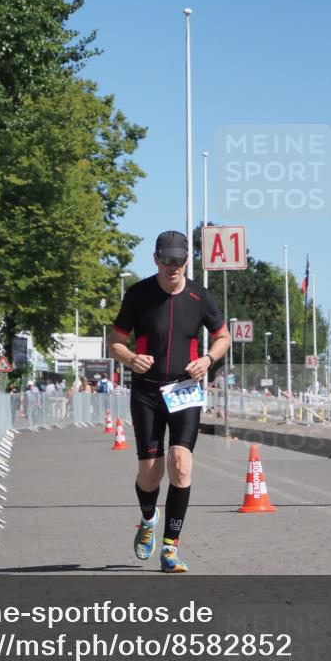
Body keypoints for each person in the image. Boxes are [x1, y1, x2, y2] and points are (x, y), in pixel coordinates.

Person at [110, 230, 229, 573]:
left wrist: (207, 360)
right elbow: (115, 341)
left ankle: (170, 548)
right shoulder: (138, 295)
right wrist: (130, 358)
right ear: (156, 259)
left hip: (184, 390)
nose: (173, 267)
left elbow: (223, 337)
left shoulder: (200, 297)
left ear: (186, 261)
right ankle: (148, 520)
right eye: (167, 260)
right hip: (146, 391)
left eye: (179, 261)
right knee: (150, 474)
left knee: (180, 463)